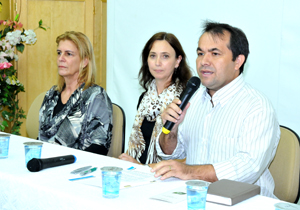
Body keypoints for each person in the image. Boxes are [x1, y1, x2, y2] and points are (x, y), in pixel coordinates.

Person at [151, 21, 280, 198]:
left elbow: (248, 168)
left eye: (215, 53)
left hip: (246, 203)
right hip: (196, 198)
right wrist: (171, 131)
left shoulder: (257, 106)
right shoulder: (193, 100)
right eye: (200, 53)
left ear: (238, 61)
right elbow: (171, 153)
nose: (204, 61)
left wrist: (187, 172)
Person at [119, 32, 192, 164]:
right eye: (153, 56)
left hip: (165, 176)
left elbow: (185, 158)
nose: (157, 62)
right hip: (138, 171)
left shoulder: (185, 101)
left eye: (165, 56)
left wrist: (140, 167)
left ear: (177, 61)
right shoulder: (145, 98)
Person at [39, 31, 113, 155]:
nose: (60, 58)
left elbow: (100, 147)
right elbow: (41, 138)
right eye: (59, 53)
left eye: (68, 54)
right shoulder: (52, 94)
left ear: (84, 61)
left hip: (77, 167)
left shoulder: (96, 96)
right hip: (45, 162)